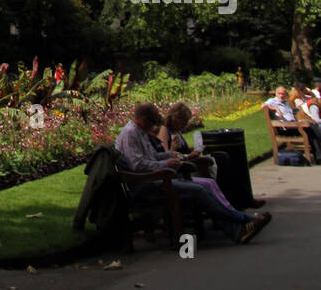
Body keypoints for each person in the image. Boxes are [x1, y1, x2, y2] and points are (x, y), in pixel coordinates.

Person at [116, 102, 271, 244]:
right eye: (153, 121)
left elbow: (152, 156)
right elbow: (137, 165)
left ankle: (238, 229)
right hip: (148, 186)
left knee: (206, 186)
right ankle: (244, 220)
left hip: (158, 180)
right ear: (143, 119)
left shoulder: (140, 132)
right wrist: (165, 164)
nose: (155, 126)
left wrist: (171, 156)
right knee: (199, 190)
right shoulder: (131, 134)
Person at [154, 104, 246, 216]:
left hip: (186, 161)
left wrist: (196, 149)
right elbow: (165, 154)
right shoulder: (165, 130)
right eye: (185, 120)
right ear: (177, 119)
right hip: (181, 168)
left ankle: (235, 201)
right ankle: (227, 208)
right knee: (217, 164)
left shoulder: (177, 131)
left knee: (222, 157)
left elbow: (184, 151)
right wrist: (174, 148)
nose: (187, 123)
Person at [265, 85, 321, 161]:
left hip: (293, 125)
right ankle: (318, 156)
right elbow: (263, 106)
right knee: (312, 127)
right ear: (276, 94)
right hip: (284, 128)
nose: (281, 95)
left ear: (286, 94)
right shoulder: (272, 101)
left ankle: (318, 156)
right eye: (279, 93)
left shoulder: (286, 102)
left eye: (283, 94)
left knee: (311, 128)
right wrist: (275, 108)